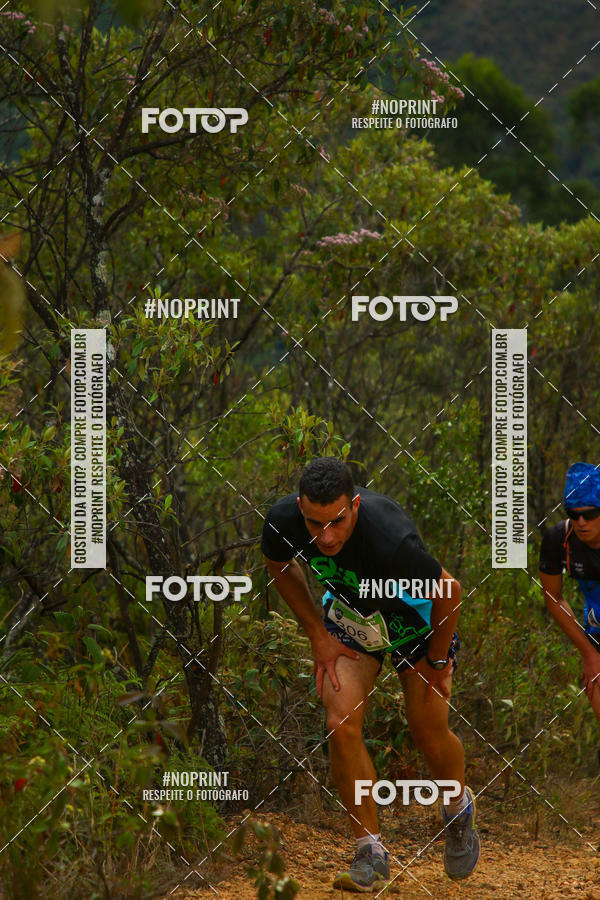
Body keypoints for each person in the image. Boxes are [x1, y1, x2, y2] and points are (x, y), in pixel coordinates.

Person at [261, 457, 479, 892]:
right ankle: (370, 851)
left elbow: (449, 592)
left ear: (355, 506)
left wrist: (438, 662)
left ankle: (457, 809)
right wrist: (317, 636)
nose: (325, 536)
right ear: (300, 507)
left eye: (337, 522)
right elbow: (279, 565)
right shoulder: (284, 520)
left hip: (413, 622)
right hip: (353, 619)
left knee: (428, 732)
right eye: (313, 523)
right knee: (339, 722)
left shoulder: (390, 539)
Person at [539, 462, 600, 749]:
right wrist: (589, 653)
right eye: (573, 515)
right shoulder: (558, 539)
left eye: (590, 514)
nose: (581, 523)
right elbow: (553, 596)